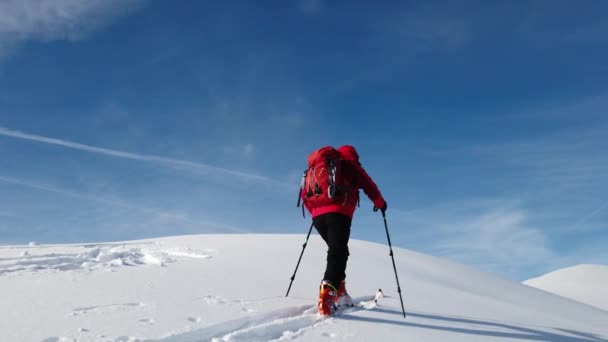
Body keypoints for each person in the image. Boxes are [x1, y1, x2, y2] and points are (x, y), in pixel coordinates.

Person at [302, 145, 387, 315]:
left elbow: (305, 194)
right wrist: (381, 204)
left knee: (339, 251)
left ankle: (340, 290)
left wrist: (316, 211)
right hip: (338, 214)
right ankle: (328, 292)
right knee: (338, 252)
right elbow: (369, 185)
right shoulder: (349, 164)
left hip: (317, 217)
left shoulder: (318, 167)